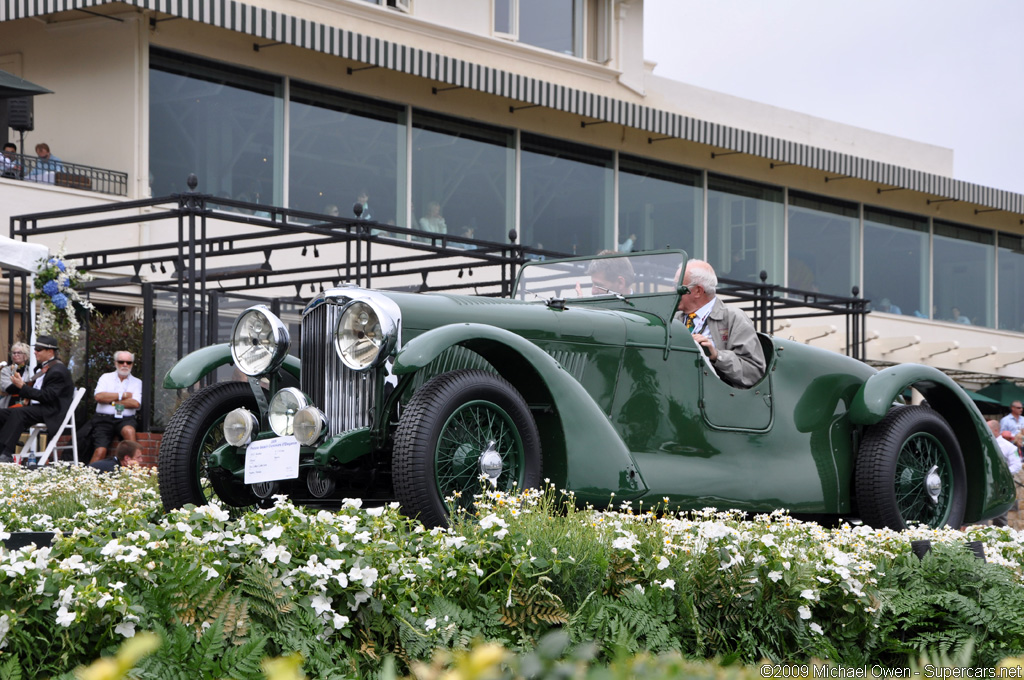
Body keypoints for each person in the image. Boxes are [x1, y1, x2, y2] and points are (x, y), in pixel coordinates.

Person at [676, 259, 766, 389]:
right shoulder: (672, 320)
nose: (674, 292)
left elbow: (754, 373)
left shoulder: (733, 318)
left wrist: (716, 356)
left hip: (716, 400)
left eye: (680, 288)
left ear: (698, 291)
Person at [0, 336, 75, 463]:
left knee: (19, 413)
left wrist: (22, 387)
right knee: (2, 413)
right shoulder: (44, 368)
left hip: (51, 411)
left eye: (39, 349)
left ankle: (6, 454)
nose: (35, 352)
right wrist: (19, 386)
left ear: (50, 352)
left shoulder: (58, 371)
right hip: (39, 408)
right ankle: (2, 450)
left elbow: (47, 396)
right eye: (35, 349)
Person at [88, 350, 142, 464]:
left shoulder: (137, 382)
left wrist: (110, 401)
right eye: (121, 362)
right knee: (100, 451)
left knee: (129, 431)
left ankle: (135, 475)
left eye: (129, 362)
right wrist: (124, 395)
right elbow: (98, 397)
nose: (125, 365)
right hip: (103, 419)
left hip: (126, 419)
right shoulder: (105, 377)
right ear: (115, 363)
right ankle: (89, 478)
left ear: (132, 364)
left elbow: (135, 403)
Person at [987, 419, 1021, 527]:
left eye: (988, 428)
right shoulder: (984, 444)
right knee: (981, 513)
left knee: (1000, 515)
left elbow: (1017, 465)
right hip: (986, 482)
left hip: (1001, 483)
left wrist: (1002, 474)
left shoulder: (1009, 447)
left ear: (996, 430)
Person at [0, 343, 30, 408]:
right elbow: (9, 388)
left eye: (19, 353)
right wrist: (27, 386)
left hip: (27, 405)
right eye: (14, 353)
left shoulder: (30, 370)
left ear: (25, 355)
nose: (16, 355)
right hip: (10, 404)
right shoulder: (6, 370)